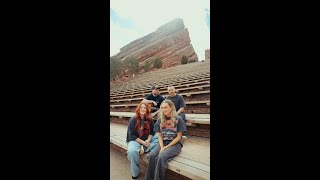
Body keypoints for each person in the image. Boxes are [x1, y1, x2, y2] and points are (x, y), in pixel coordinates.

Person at [145, 99, 187, 180]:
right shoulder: (160, 120)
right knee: (152, 155)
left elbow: (178, 137)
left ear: (171, 107)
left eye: (166, 107)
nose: (164, 110)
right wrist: (161, 147)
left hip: (175, 144)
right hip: (163, 142)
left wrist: (165, 148)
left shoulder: (178, 119)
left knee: (160, 157)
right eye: (162, 108)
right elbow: (159, 135)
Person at [126, 102, 159, 180]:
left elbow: (152, 132)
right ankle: (135, 173)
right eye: (141, 107)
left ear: (147, 109)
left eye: (145, 108)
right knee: (132, 151)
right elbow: (132, 136)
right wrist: (143, 142)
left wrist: (148, 140)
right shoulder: (133, 119)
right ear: (138, 109)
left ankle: (143, 148)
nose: (143, 109)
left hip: (146, 140)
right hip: (135, 140)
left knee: (159, 137)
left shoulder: (149, 119)